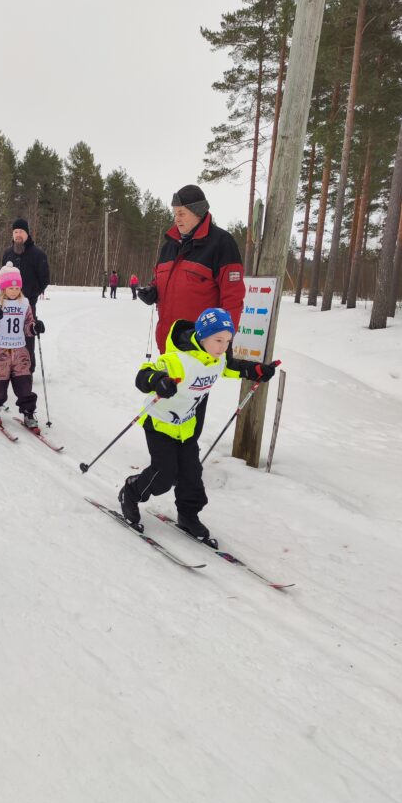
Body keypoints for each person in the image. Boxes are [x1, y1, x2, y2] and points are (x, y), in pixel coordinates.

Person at [117, 308, 278, 542]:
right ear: (202, 336)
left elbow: (230, 367)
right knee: (164, 475)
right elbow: (143, 375)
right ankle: (130, 493)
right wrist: (159, 381)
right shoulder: (177, 359)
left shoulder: (217, 357)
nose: (223, 346)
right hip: (160, 423)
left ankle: (188, 515)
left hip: (187, 426)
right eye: (218, 340)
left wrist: (256, 370)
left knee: (192, 475)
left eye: (228, 341)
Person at [138, 184, 245, 353]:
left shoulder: (221, 243)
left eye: (181, 213)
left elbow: (233, 296)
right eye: (175, 214)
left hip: (198, 347)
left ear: (198, 213)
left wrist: (224, 339)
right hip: (167, 344)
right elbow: (162, 280)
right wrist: (153, 290)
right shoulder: (169, 246)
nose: (176, 219)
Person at [0, 262, 43, 429]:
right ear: (3, 288)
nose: (14, 291)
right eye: (11, 288)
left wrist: (35, 327)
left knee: (24, 383)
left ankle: (28, 412)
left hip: (20, 351)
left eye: (17, 288)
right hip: (1, 350)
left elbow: (28, 325)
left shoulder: (24, 303)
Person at [1, 218, 50, 372]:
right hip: (8, 303)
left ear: (27, 233)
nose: (18, 235)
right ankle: (9, 364)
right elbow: (3, 277)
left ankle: (28, 366)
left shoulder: (38, 254)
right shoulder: (8, 253)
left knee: (28, 334)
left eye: (21, 231)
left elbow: (45, 279)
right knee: (8, 334)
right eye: (15, 232)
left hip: (28, 303)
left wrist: (32, 295)